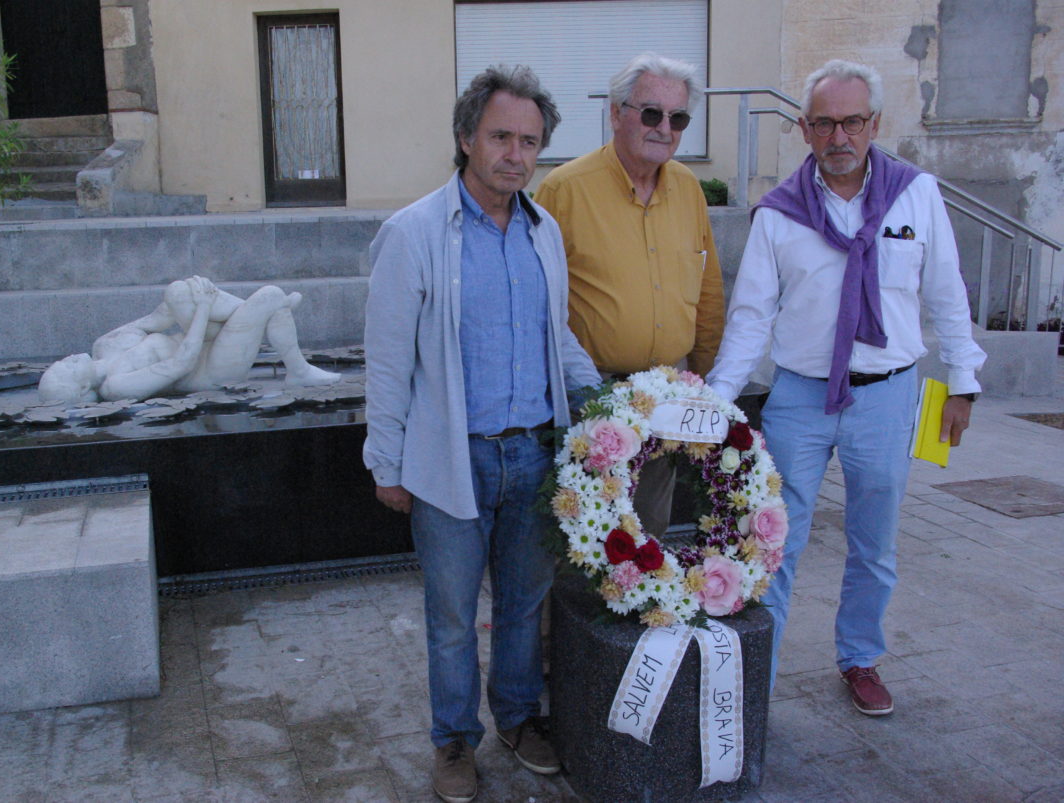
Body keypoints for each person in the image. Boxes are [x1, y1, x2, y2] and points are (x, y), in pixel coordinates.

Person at [706, 59, 986, 716]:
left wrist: (965, 382)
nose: (840, 136)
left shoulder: (917, 196)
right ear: (804, 129)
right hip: (801, 396)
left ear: (874, 124)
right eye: (826, 122)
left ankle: (859, 655)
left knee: (874, 540)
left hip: (889, 395)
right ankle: (756, 683)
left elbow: (948, 294)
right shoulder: (778, 214)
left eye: (852, 121)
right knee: (774, 540)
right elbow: (751, 315)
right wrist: (718, 401)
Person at [363, 66, 600, 802]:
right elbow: (388, 358)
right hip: (450, 461)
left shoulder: (543, 230)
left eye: (530, 142)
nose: (516, 154)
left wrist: (607, 402)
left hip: (535, 453)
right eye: (501, 136)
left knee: (526, 606)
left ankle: (520, 718)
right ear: (467, 138)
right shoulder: (413, 234)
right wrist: (386, 462)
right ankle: (454, 741)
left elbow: (554, 334)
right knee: (453, 617)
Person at [535, 53, 725, 535]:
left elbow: (706, 290)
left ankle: (641, 613)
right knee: (580, 535)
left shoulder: (687, 188)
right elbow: (538, 303)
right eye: (651, 113)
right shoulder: (564, 190)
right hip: (591, 396)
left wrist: (704, 379)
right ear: (616, 113)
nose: (665, 127)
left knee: (647, 534)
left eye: (678, 117)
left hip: (666, 397)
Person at [38, 276, 339, 403]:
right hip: (211, 370)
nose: (65, 360)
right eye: (65, 370)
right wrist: (206, 306)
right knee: (270, 295)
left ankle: (272, 313)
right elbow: (182, 364)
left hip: (200, 338)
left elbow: (158, 319)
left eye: (58, 363)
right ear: (80, 388)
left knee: (177, 290)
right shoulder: (117, 386)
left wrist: (193, 296)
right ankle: (296, 363)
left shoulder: (105, 345)